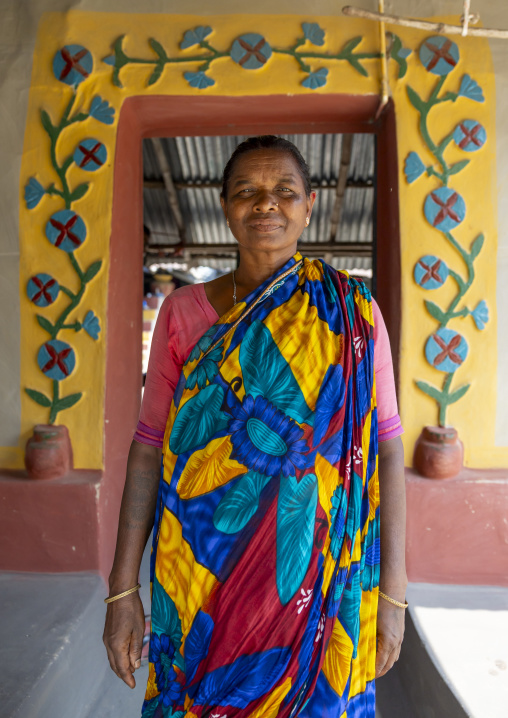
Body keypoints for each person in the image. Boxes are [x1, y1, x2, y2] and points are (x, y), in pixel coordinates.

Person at [103, 136, 407, 717]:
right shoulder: (184, 312)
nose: (266, 204)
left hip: (318, 583)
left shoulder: (354, 311)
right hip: (197, 580)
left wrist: (393, 593)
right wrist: (123, 589)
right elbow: (147, 450)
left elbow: (387, 449)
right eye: (247, 191)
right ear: (224, 206)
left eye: (284, 191)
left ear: (309, 205)